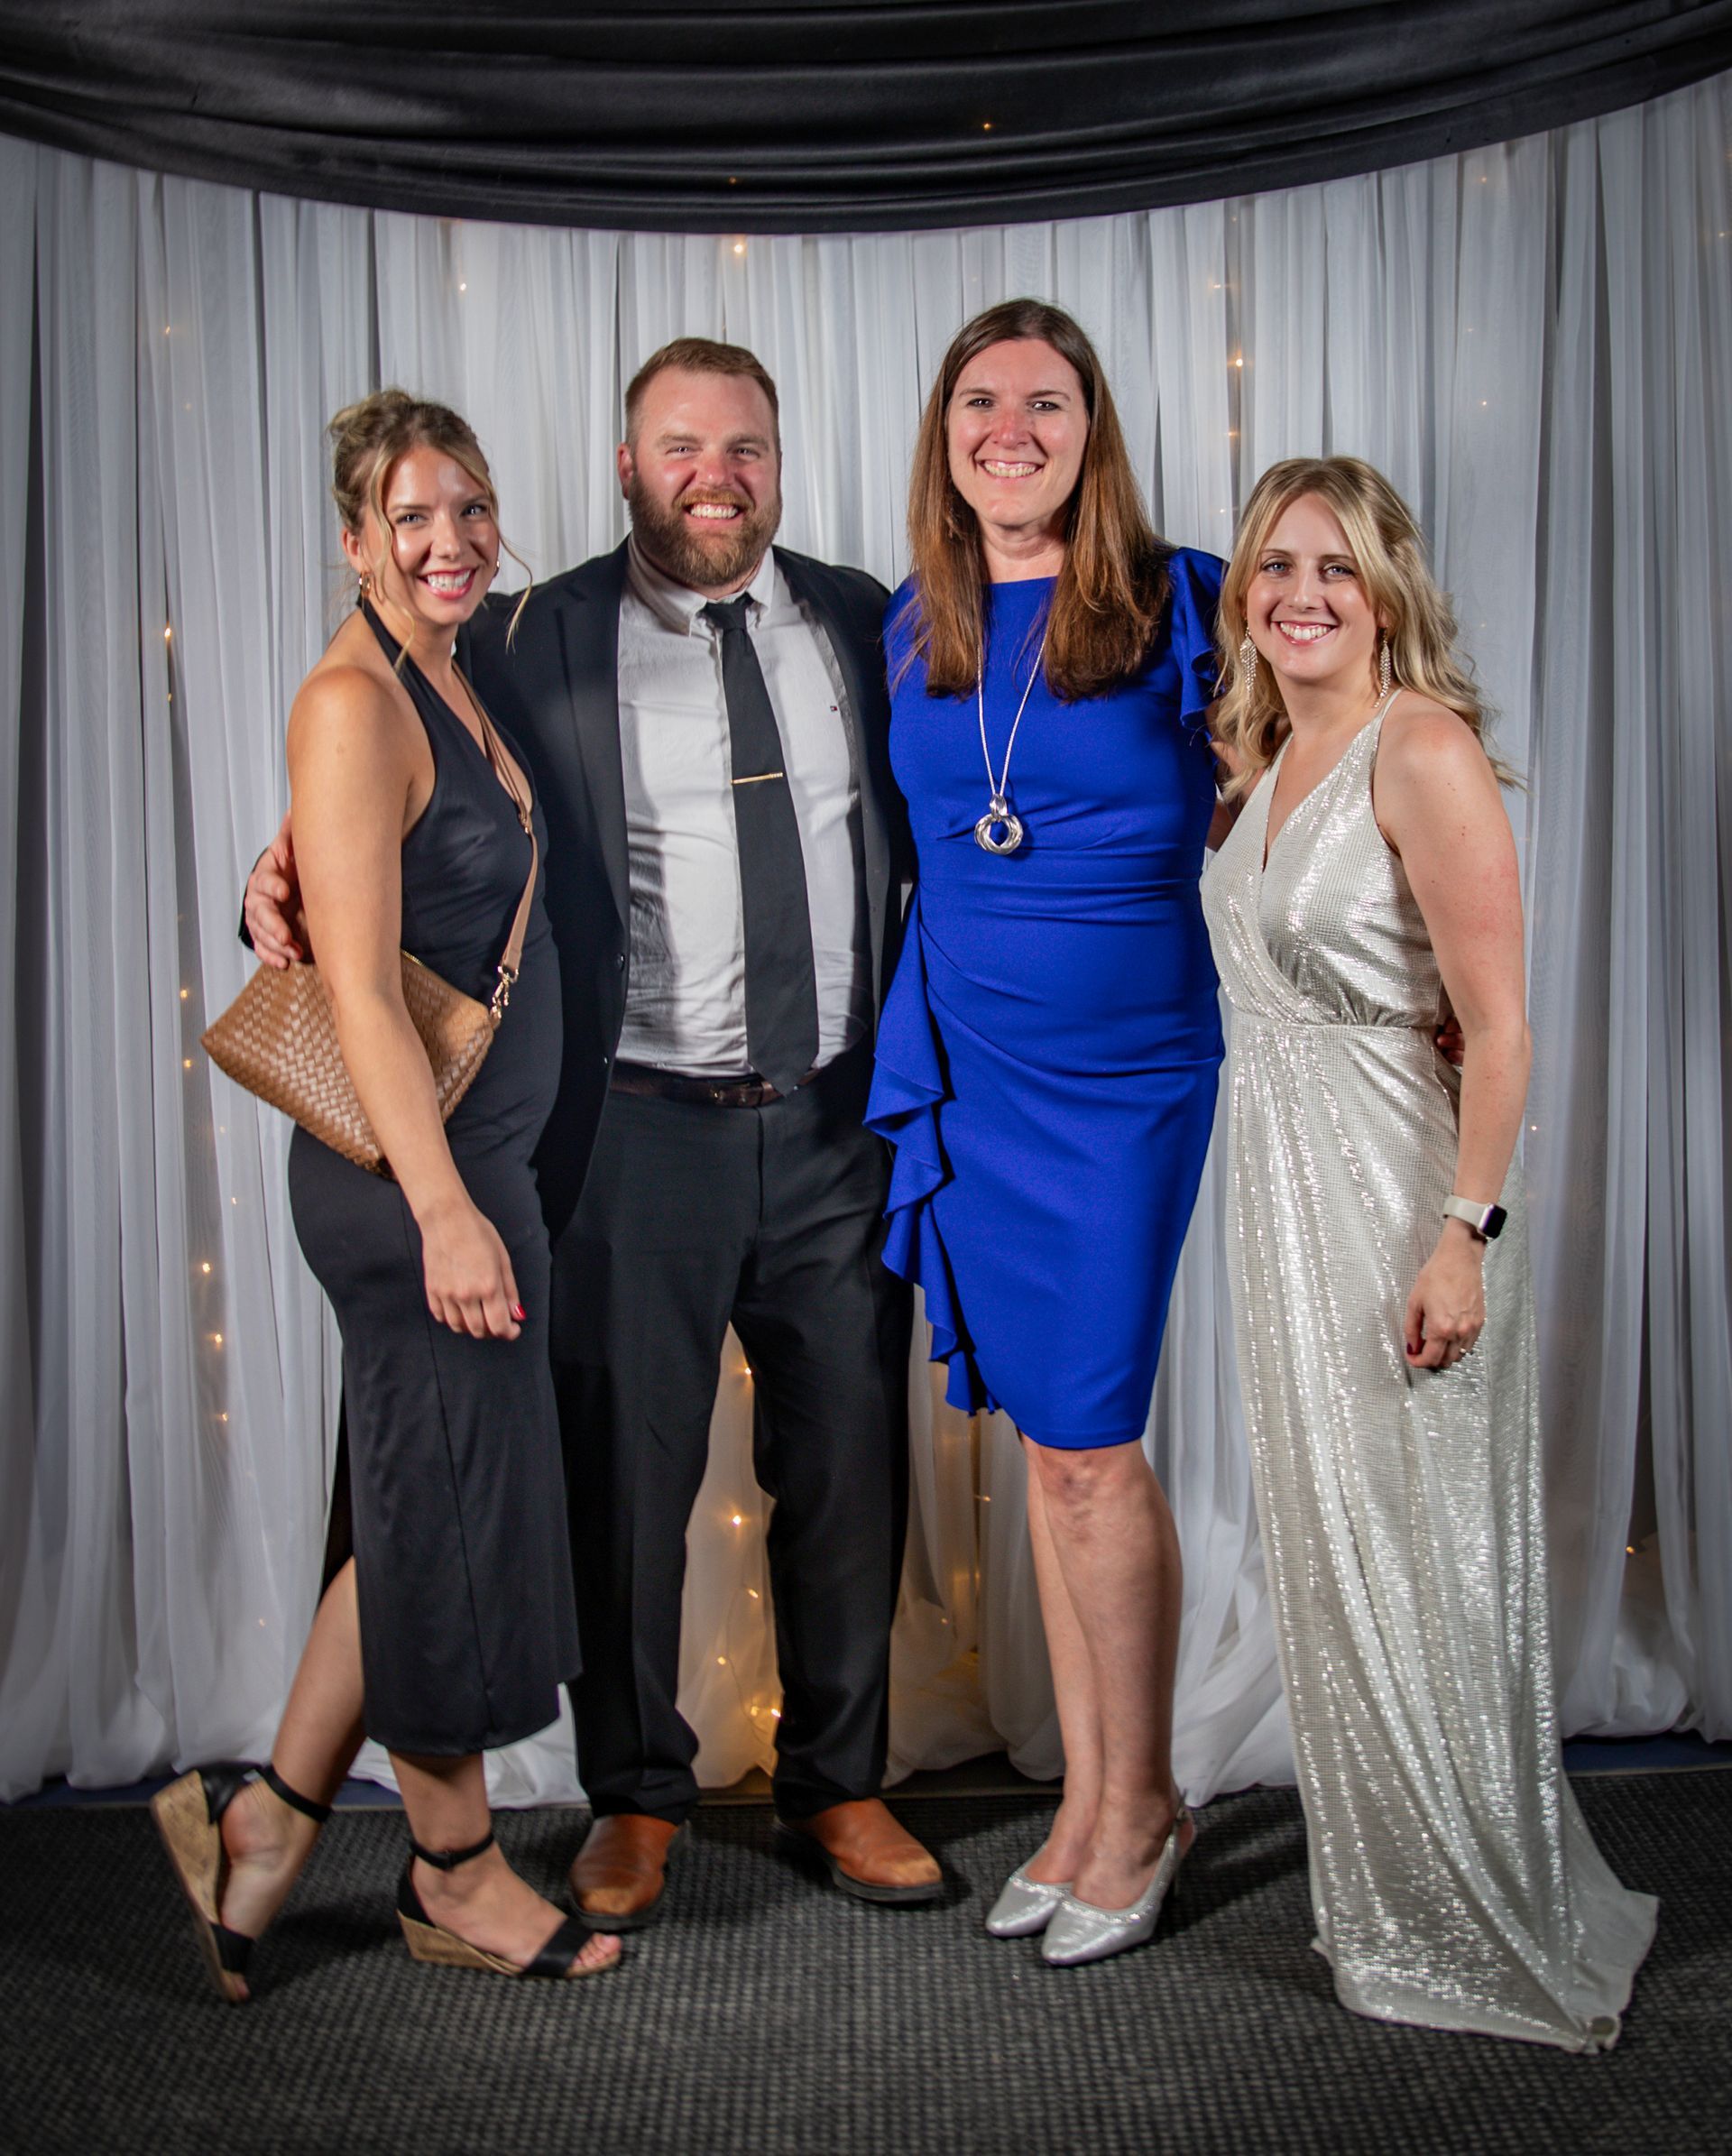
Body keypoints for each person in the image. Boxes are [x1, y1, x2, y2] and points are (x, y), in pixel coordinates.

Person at [245, 339, 941, 1926]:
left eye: (747, 446)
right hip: (631, 1127)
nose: (717, 472)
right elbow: (383, 759)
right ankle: (635, 1795)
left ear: (780, 460)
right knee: (626, 1481)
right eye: (682, 445)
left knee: (846, 1461)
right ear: (627, 468)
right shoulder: (522, 632)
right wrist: (274, 864)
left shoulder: (863, 615)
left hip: (840, 1115)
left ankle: (842, 1779)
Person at [157, 391, 620, 1995]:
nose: (448, 541)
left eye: (470, 509)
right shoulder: (352, 703)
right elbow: (356, 992)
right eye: (410, 518)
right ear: (354, 538)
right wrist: (443, 1209)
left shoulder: (452, 668)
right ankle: (454, 1868)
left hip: (478, 1164)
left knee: (420, 1497)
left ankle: (272, 1821)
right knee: (448, 1518)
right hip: (417, 1181)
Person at [1201, 455, 1656, 2046]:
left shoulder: (1422, 747)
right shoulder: (1263, 755)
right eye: (1273, 567)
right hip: (1285, 1212)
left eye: (1333, 565)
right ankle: (1395, 1899)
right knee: (1340, 1560)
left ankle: (1480, 1909)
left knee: (1430, 1567)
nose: (1299, 594)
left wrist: (1463, 1237)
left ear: (1389, 585)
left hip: (1407, 1211)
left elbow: (1509, 1027)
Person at [864, 299, 1225, 1966]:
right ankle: (1091, 1801)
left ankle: (1140, 1807)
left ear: (1095, 430)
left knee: (1090, 1445)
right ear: (946, 431)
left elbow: (1333, 770)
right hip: (979, 1062)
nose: (1011, 429)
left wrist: (1432, 978)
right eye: (981, 402)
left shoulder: (1187, 601)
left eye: (1048, 403)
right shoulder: (903, 623)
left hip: (1130, 1075)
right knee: (1052, 1455)